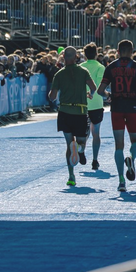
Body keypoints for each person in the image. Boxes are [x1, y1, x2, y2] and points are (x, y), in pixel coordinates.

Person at [98, 39, 136, 192]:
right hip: (132, 107)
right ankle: (131, 159)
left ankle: (121, 180)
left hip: (117, 108)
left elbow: (100, 90)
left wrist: (108, 95)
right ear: (132, 51)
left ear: (118, 51)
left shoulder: (111, 67)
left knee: (118, 145)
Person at [48, 46, 97, 187]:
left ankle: (71, 176)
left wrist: (50, 95)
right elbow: (93, 88)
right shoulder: (83, 71)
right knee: (82, 141)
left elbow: (52, 97)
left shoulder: (59, 74)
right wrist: (90, 94)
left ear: (63, 58)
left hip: (64, 112)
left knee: (69, 145)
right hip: (80, 111)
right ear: (76, 57)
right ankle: (80, 149)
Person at [80, 43, 106, 170]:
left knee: (83, 133)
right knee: (96, 133)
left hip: (83, 103)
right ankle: (95, 160)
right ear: (96, 54)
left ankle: (81, 150)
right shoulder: (100, 67)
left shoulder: (80, 67)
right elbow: (101, 84)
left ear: (84, 55)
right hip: (96, 103)